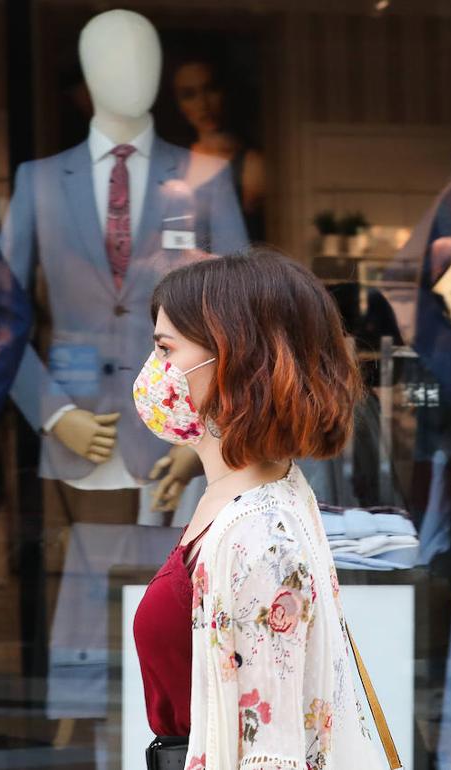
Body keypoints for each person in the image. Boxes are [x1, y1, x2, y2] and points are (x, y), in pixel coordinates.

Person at [131, 249, 391, 769]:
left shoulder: (258, 534)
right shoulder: (256, 495)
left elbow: (271, 750)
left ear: (233, 358)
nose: (153, 370)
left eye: (166, 348)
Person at [171, 56, 266, 239]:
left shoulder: (253, 164)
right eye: (189, 95)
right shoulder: (177, 162)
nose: (203, 105)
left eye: (211, 90)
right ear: (179, 104)